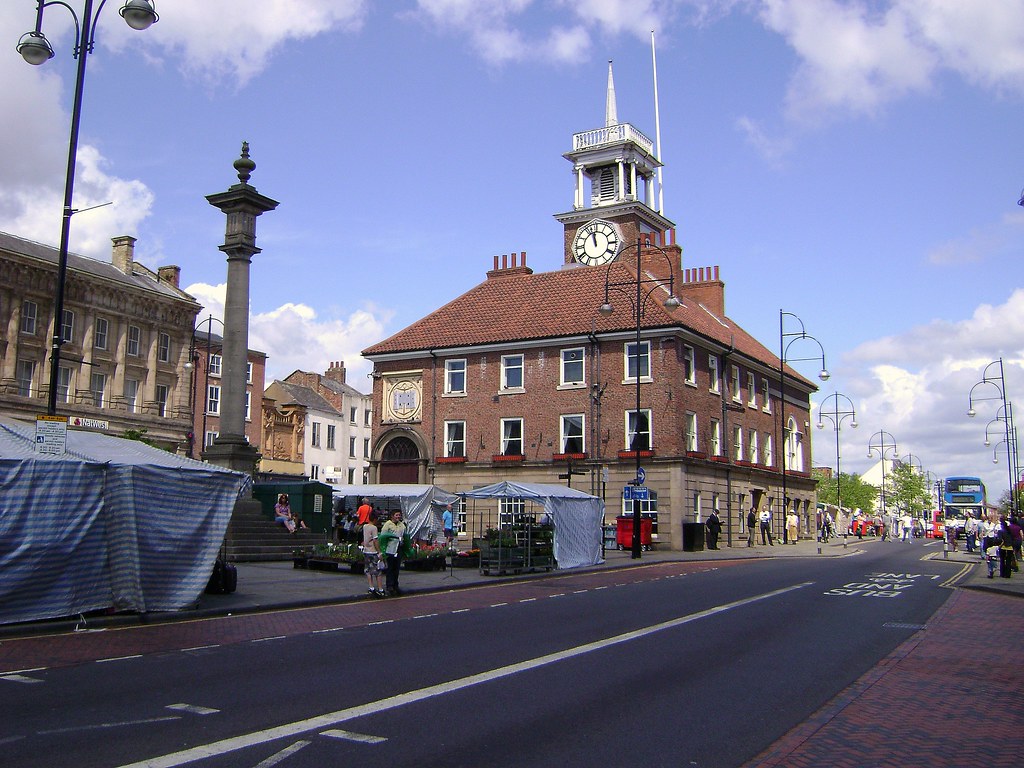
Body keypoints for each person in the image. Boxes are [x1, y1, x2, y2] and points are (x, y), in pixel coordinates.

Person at [379, 509, 408, 596]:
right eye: (396, 515)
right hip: (390, 549)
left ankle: (396, 585)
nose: (398, 517)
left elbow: (405, 535)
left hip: (398, 548)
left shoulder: (402, 525)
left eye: (399, 515)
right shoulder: (387, 524)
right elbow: (383, 537)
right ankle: (390, 586)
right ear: (392, 516)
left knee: (397, 568)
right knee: (390, 568)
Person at [361, 510, 385, 597]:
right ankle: (380, 589)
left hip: (366, 551)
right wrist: (379, 552)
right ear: (375, 519)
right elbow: (375, 541)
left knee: (368, 570)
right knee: (378, 571)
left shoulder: (365, 526)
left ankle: (371, 587)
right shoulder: (374, 528)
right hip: (373, 551)